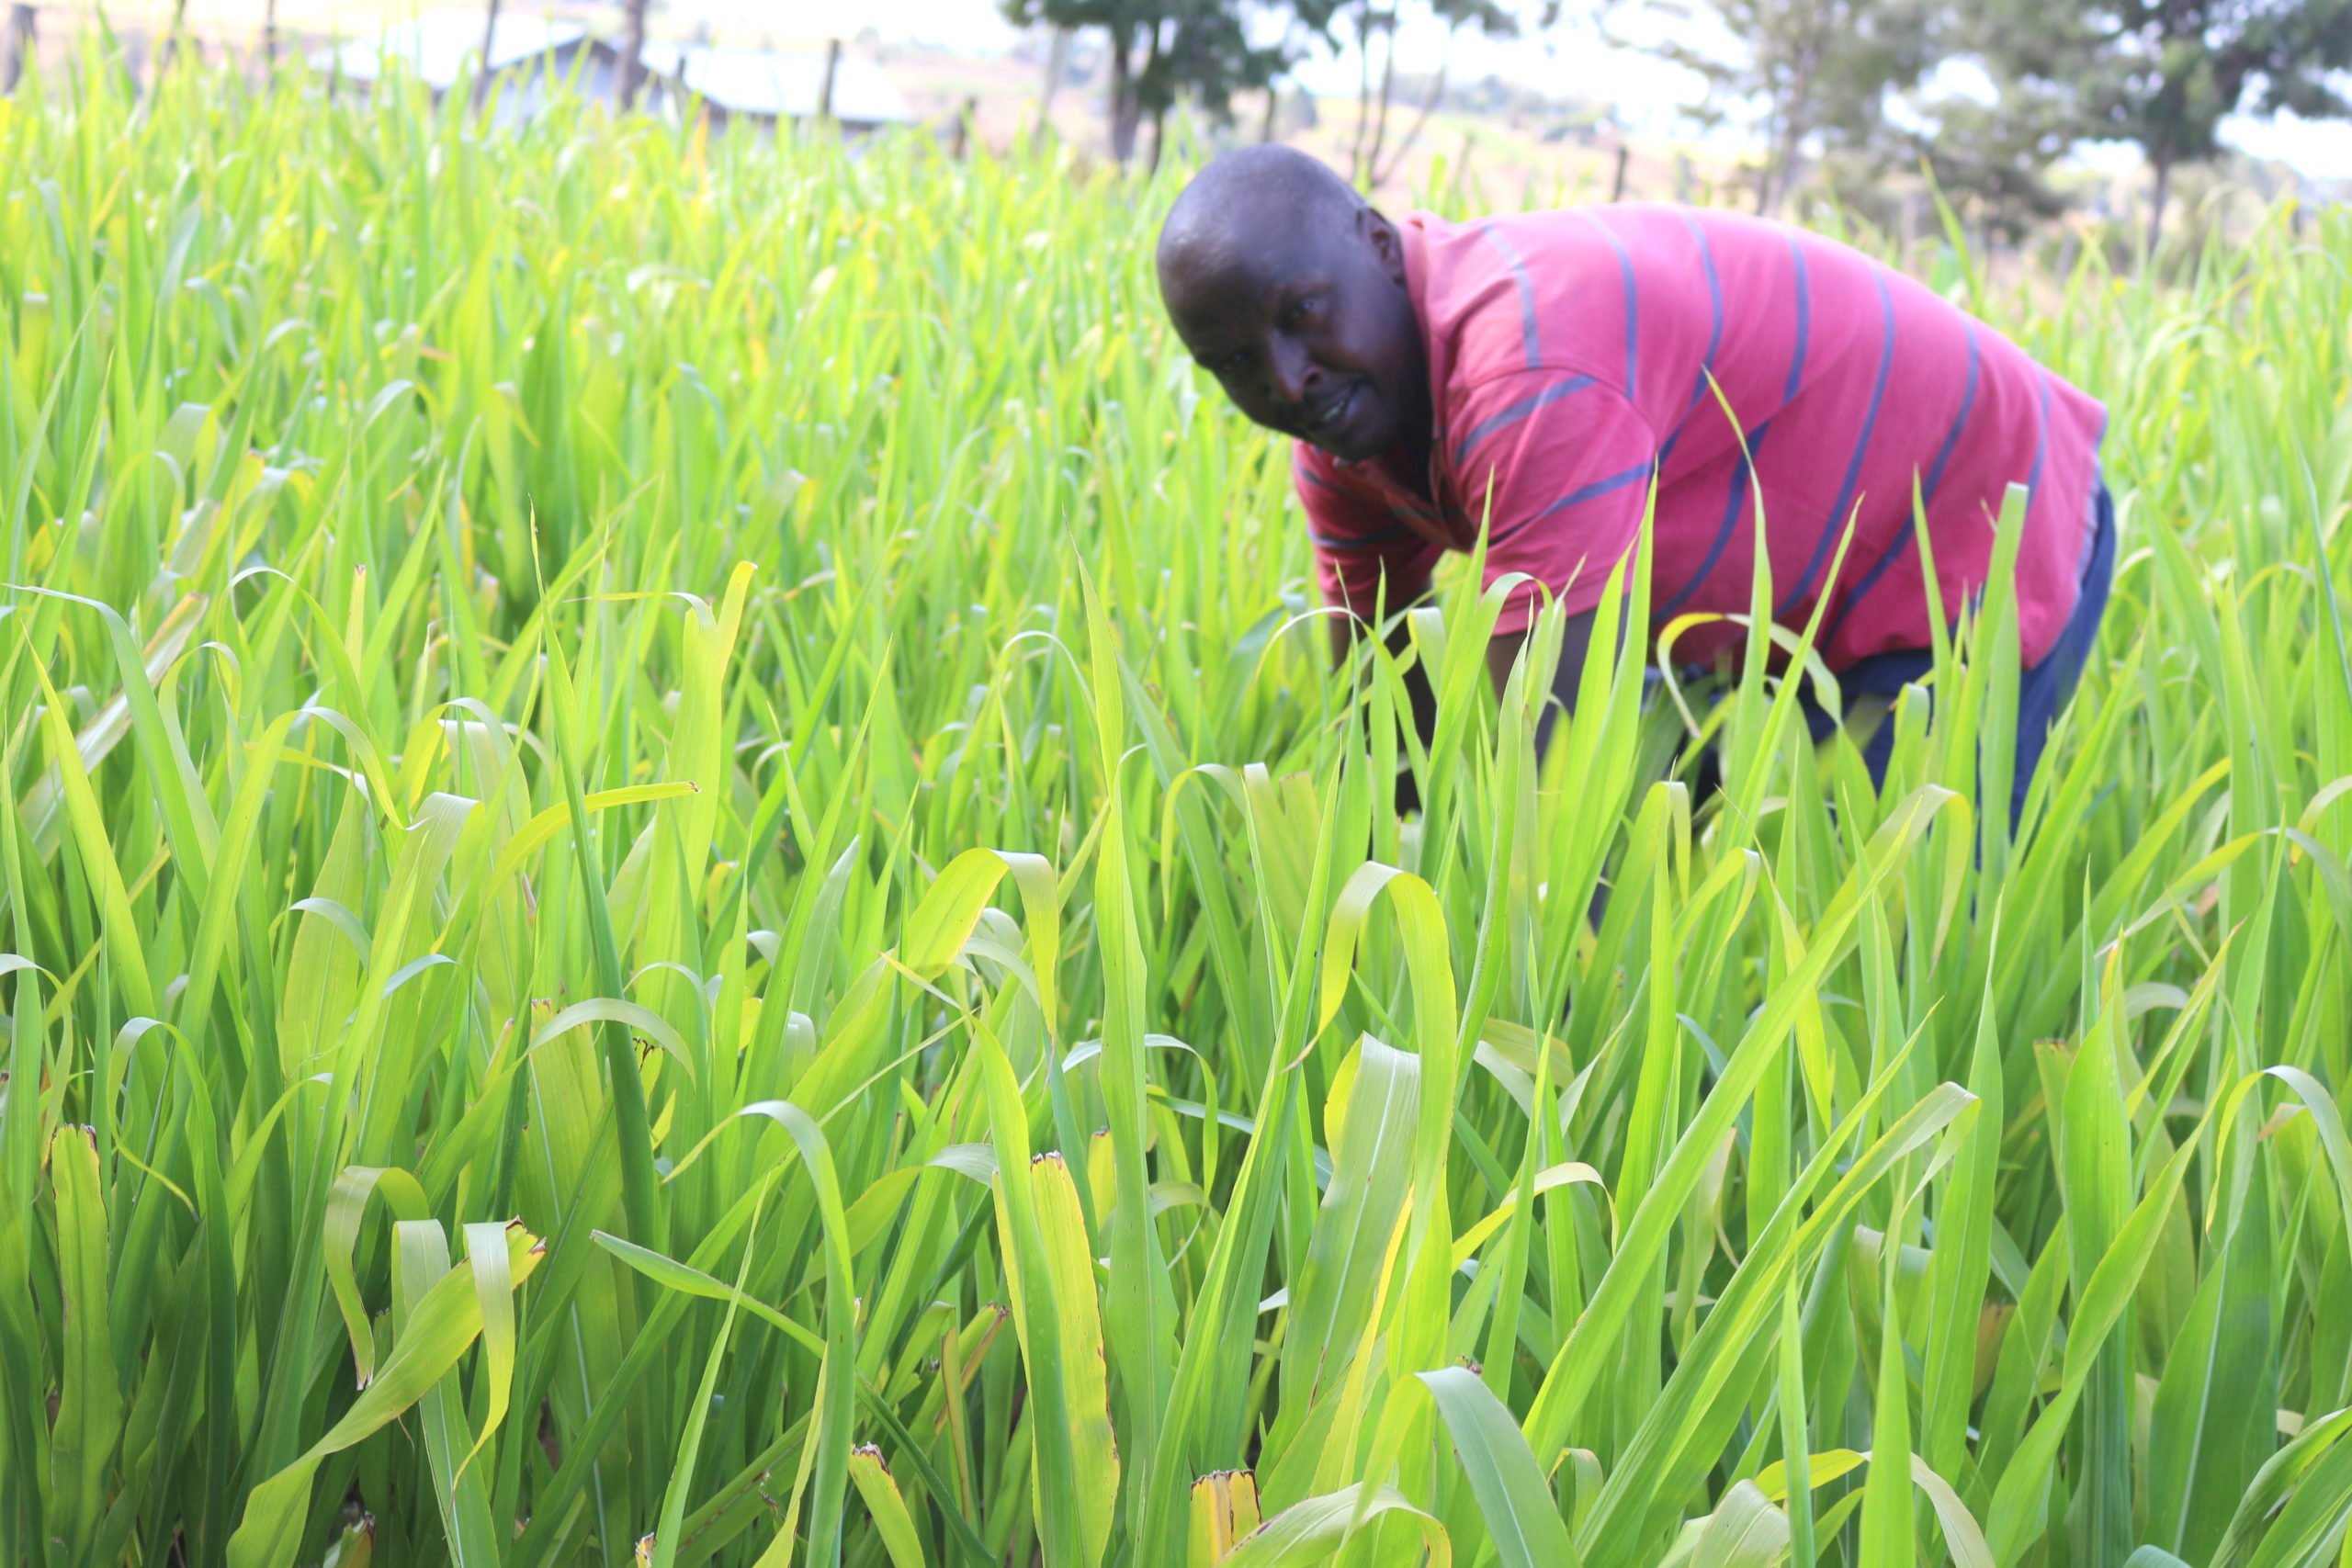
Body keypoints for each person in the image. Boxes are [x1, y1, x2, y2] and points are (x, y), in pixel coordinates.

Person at [1153, 145, 2115, 825]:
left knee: (1882, 941)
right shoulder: (1338, 433)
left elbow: (1555, 778)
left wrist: (1530, 991)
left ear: (1375, 245)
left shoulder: (1526, 367)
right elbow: (1382, 691)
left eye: (1302, 313)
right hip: (1773, 594)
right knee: (1711, 853)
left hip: (1976, 521)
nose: (1285, 378)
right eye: (1233, 361)